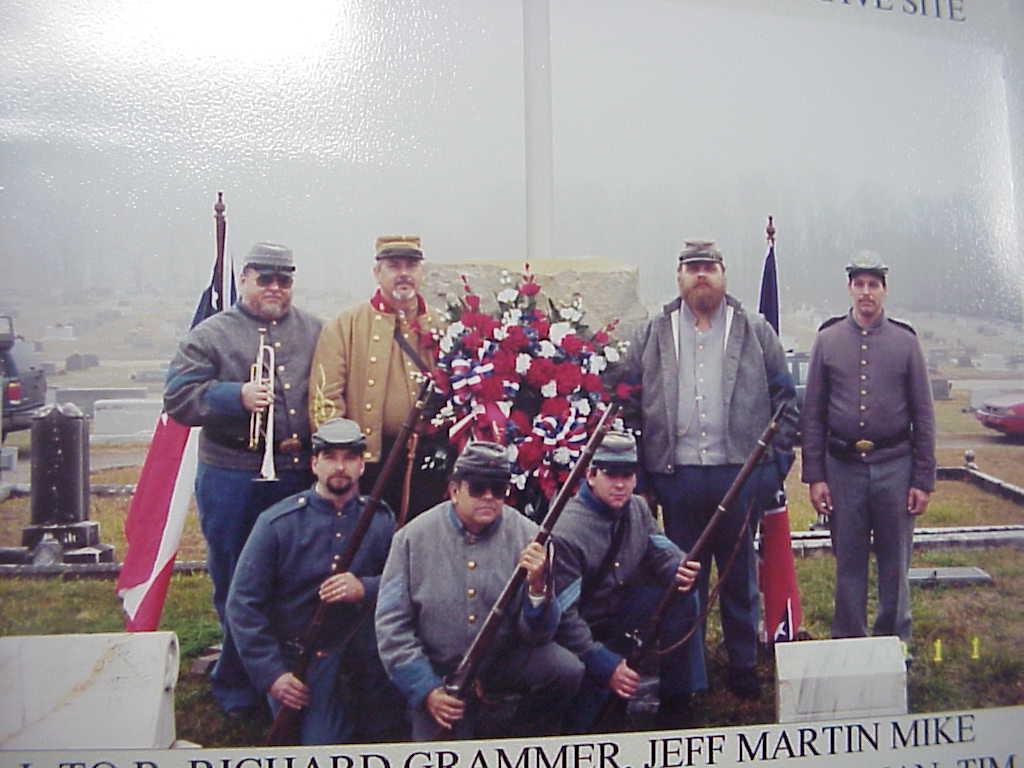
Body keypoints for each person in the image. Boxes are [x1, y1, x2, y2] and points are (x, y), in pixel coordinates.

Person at [622, 239, 798, 700]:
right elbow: (625, 402)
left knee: (739, 576)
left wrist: (771, 473)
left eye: (710, 268)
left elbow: (786, 403)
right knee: (682, 578)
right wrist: (642, 478)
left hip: (738, 476)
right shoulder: (653, 331)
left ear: (724, 274)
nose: (702, 275)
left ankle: (743, 665)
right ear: (679, 275)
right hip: (676, 478)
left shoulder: (755, 330)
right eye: (692, 268)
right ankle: (688, 671)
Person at [164, 241, 322, 715]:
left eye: (284, 279)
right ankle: (237, 688)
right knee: (236, 580)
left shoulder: (317, 330)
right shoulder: (209, 335)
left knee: (295, 581)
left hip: (295, 473)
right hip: (232, 475)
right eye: (265, 279)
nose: (275, 288)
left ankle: (292, 680)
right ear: (246, 279)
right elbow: (178, 400)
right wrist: (236, 396)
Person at [375, 441, 584, 740]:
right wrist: (426, 690)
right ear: (454, 490)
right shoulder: (411, 539)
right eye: (478, 488)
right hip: (438, 670)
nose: (489, 497)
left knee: (566, 670)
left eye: (498, 490)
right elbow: (391, 626)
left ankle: (526, 737)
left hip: (503, 660)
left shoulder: (531, 537)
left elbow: (538, 636)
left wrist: (539, 588)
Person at [226, 418, 402, 744]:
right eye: (330, 458)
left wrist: (364, 587)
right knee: (321, 745)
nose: (340, 467)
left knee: (385, 736)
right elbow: (243, 604)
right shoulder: (277, 523)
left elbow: (400, 583)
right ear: (314, 463)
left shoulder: (379, 519)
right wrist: (272, 675)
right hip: (298, 660)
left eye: (350, 458)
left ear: (362, 466)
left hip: (361, 655)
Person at [800, 251, 935, 645]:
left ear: (884, 291)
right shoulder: (827, 340)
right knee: (849, 563)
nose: (865, 293)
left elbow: (924, 416)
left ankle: (895, 642)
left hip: (895, 466)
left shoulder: (905, 343)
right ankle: (850, 643)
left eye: (873, 285)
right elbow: (813, 415)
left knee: (895, 564)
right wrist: (815, 477)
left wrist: (922, 479)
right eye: (859, 284)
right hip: (842, 469)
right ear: (849, 289)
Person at [551, 430, 705, 732]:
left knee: (682, 593)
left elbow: (659, 549)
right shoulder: (566, 531)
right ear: (591, 475)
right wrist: (606, 664)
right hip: (583, 637)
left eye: (628, 475)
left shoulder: (636, 508)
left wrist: (680, 567)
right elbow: (563, 618)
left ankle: (679, 699)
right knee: (586, 725)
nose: (621, 484)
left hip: (623, 618)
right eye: (611, 475)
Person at [310, 235, 447, 522]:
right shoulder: (345, 325)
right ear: (377, 273)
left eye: (411, 265)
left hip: (427, 458)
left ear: (421, 272)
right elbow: (325, 399)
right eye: (394, 266)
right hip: (370, 461)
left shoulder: (443, 326)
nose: (403, 274)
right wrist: (342, 459)